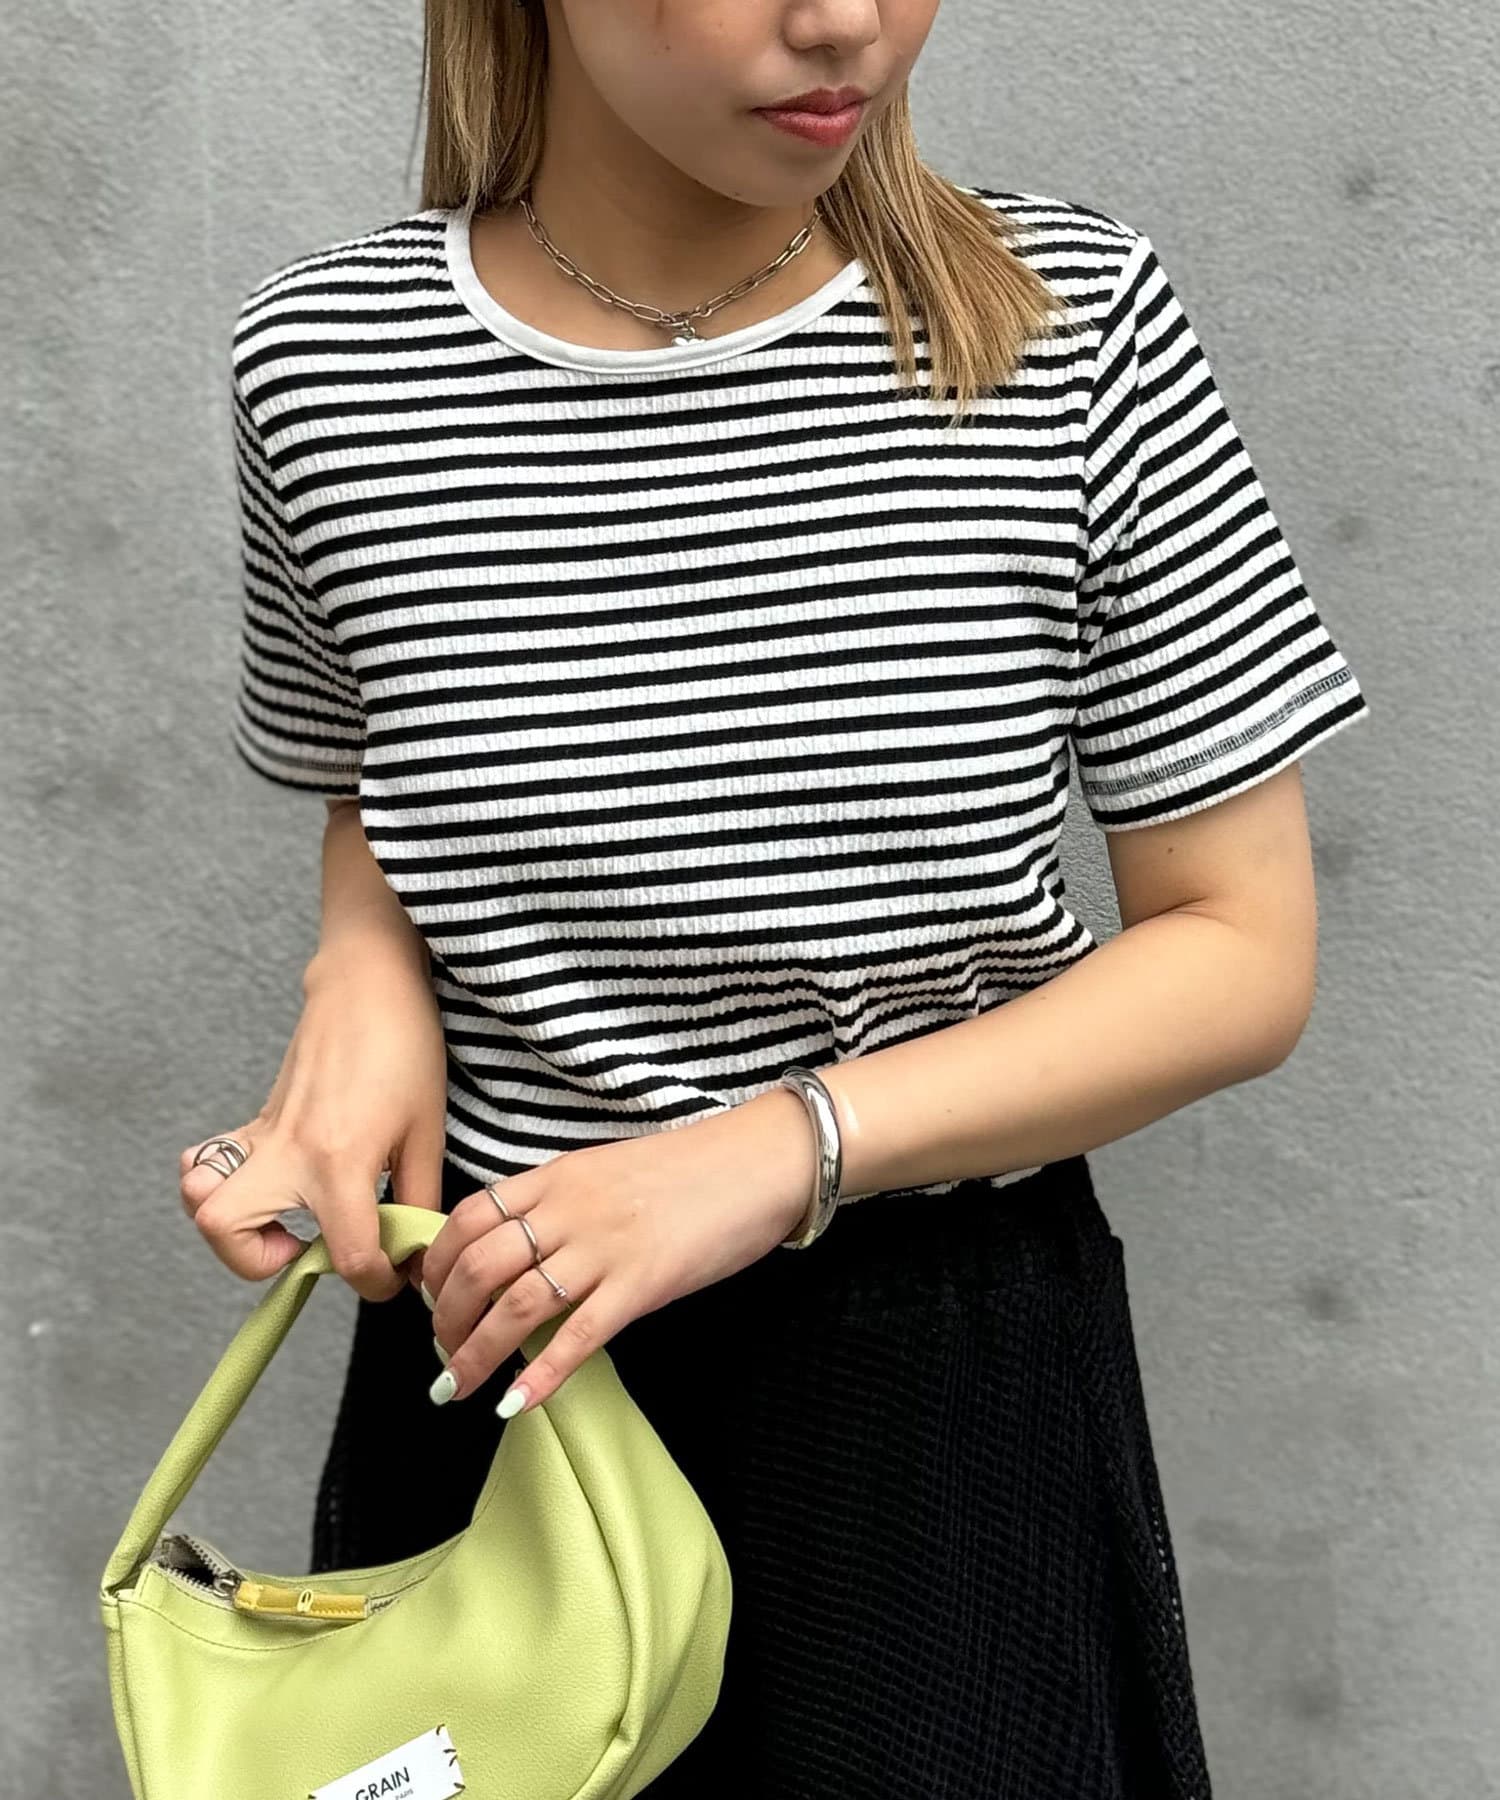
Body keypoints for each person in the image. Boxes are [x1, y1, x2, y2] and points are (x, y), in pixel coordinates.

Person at [181, 1, 1372, 1793]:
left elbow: (1241, 949)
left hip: (934, 1405)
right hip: (490, 1377)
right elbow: (389, 767)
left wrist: (767, 1151)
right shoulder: (327, 361)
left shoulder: (1065, 323)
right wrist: (361, 973)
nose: (846, 20)